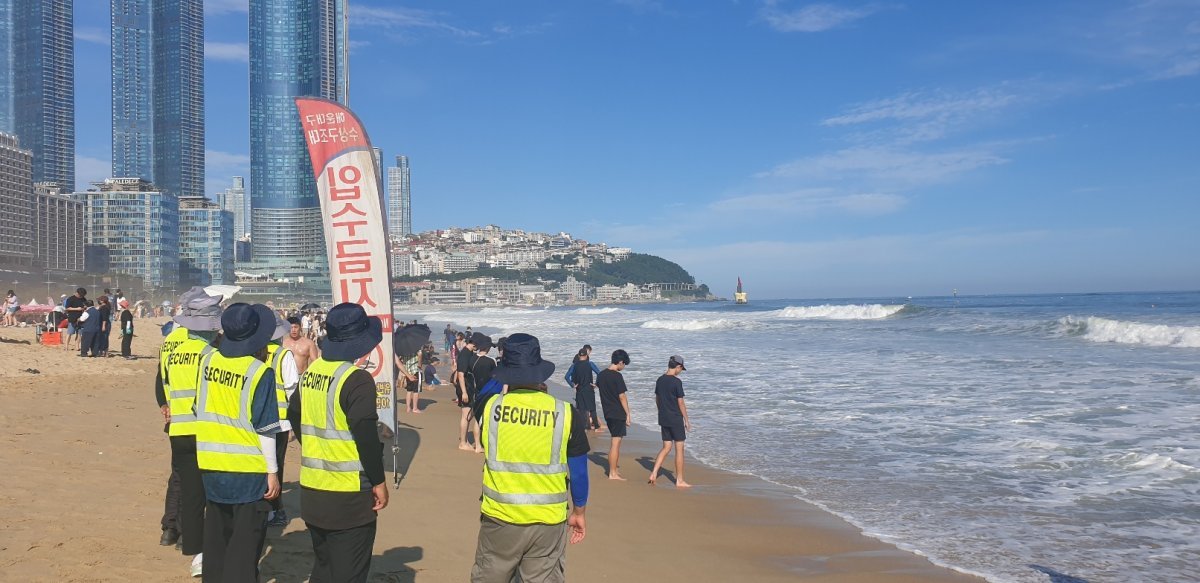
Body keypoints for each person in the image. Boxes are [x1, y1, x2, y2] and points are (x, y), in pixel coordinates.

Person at [469, 333, 590, 583]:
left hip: (500, 516)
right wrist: (579, 511)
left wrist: (501, 375)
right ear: (540, 372)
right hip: (548, 520)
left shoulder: (491, 407)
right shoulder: (566, 412)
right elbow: (578, 472)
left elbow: (483, 394)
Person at [287, 303, 388, 583]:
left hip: (312, 487)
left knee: (324, 566)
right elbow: (365, 434)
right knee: (349, 572)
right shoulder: (356, 380)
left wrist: (314, 444)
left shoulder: (313, 372)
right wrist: (379, 482)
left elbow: (293, 413)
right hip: (349, 494)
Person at [194, 302, 281, 583]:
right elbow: (266, 428)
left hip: (210, 463)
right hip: (247, 469)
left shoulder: (207, 362)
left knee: (216, 540)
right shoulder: (259, 372)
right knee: (245, 548)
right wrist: (273, 472)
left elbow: (199, 407)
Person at [156, 287, 225, 577]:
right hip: (204, 430)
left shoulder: (172, 347)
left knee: (186, 486)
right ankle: (203, 549)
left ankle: (184, 540)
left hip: (178, 427)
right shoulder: (210, 353)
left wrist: (166, 407)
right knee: (211, 492)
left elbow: (163, 382)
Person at [265, 314, 301, 528]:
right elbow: (292, 388)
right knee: (276, 466)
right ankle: (275, 510)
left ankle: (263, 505)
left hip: (255, 419)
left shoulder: (253, 352)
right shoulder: (282, 355)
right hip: (279, 421)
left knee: (262, 465)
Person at [648, 355, 691, 488]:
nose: (680, 371)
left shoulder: (660, 380)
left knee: (666, 447)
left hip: (664, 418)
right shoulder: (676, 382)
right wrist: (686, 420)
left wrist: (661, 411)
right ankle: (679, 480)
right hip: (675, 419)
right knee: (679, 449)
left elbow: (657, 399)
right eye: (680, 369)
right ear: (678, 367)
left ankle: (654, 473)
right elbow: (681, 403)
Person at [597, 350, 632, 480]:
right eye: (624, 365)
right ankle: (612, 473)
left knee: (614, 441)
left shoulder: (601, 375)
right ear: (621, 362)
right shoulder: (617, 376)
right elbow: (622, 396)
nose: (623, 367)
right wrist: (628, 414)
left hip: (607, 412)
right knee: (616, 443)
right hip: (617, 412)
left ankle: (613, 470)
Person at [467, 334, 497, 440]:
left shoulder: (472, 358)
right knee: (486, 418)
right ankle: (482, 442)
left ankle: (477, 444)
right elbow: (495, 377)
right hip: (489, 393)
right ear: (488, 348)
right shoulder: (491, 361)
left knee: (477, 418)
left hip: (476, 391)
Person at [569, 348, 602, 432]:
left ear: (579, 355)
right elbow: (599, 373)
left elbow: (566, 376)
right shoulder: (590, 364)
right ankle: (597, 427)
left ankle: (584, 428)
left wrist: (573, 385)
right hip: (589, 389)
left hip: (579, 390)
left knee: (582, 409)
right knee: (592, 408)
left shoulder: (574, 365)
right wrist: (596, 384)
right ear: (586, 355)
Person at [396, 345, 422, 414]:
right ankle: (415, 408)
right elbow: (419, 358)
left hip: (407, 372)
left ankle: (408, 407)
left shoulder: (404, 349)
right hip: (415, 370)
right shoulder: (416, 346)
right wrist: (420, 363)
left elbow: (401, 359)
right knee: (416, 391)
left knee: (409, 390)